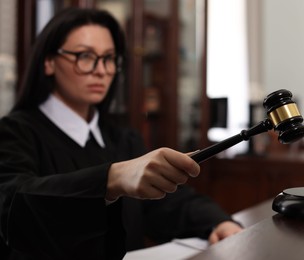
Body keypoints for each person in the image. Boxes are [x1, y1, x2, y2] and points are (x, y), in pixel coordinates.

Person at [0, 7, 242, 260]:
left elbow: (167, 204)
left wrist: (218, 222)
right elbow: (13, 204)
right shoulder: (14, 133)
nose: (101, 70)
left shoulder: (123, 139)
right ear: (48, 62)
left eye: (108, 58)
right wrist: (110, 179)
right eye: (85, 56)